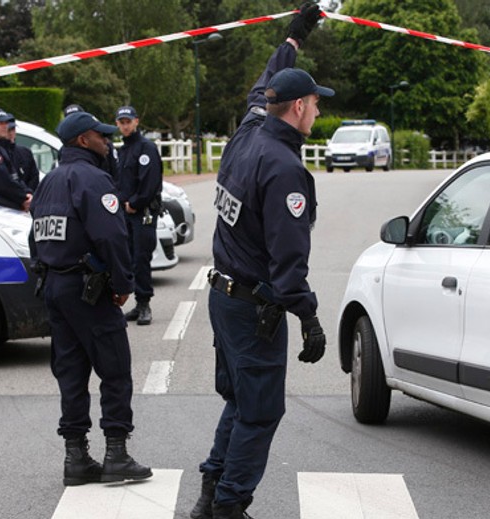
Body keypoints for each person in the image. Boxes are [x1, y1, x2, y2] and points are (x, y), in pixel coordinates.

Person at [191, 3, 328, 519]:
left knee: (240, 402)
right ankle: (229, 506)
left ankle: (210, 495)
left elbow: (263, 83)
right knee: (262, 412)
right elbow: (289, 260)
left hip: (224, 300)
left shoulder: (248, 132)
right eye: (315, 104)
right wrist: (309, 315)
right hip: (254, 310)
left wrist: (293, 39)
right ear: (296, 109)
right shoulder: (285, 170)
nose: (318, 112)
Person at [29, 110, 152, 486]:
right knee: (114, 370)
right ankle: (116, 454)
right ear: (83, 140)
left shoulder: (49, 181)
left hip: (56, 288)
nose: (108, 140)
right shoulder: (94, 179)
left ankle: (77, 458)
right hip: (89, 290)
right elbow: (112, 237)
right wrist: (122, 283)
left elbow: (35, 236)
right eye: (101, 136)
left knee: (71, 372)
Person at [114, 105, 163, 326]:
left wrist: (135, 203)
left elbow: (150, 183)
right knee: (129, 259)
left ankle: (144, 303)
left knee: (141, 259)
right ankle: (137, 301)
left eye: (128, 121)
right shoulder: (122, 151)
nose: (124, 126)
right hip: (125, 214)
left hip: (141, 213)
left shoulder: (146, 148)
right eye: (121, 122)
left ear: (136, 121)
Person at [63, 103, 118, 180]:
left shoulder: (104, 145)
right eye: (70, 118)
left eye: (79, 117)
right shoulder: (63, 151)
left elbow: (115, 171)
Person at [7, 119, 40, 191]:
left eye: (13, 129)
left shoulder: (25, 152)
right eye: (8, 130)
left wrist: (29, 195)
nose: (11, 133)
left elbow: (34, 178)